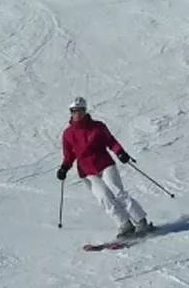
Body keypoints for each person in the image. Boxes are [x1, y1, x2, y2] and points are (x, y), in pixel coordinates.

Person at [57, 97, 152, 238]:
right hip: (87, 172)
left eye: (79, 111)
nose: (77, 114)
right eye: (73, 111)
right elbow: (68, 155)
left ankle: (140, 220)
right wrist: (64, 168)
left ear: (84, 111)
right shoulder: (68, 134)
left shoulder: (97, 127)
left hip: (105, 164)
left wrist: (120, 152)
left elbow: (111, 141)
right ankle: (125, 224)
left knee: (117, 192)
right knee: (103, 197)